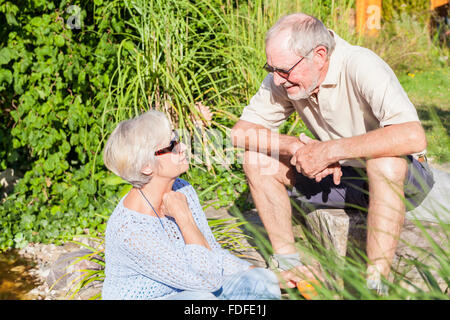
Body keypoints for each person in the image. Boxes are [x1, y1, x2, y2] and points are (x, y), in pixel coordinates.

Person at [231, 13, 435, 295]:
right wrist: (294, 146)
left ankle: (375, 286)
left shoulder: (361, 65)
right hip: (343, 178)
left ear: (319, 55)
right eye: (271, 68)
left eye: (284, 71)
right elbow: (240, 133)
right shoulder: (284, 76)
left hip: (405, 177)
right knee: (256, 159)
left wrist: (330, 150)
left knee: (385, 162)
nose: (277, 80)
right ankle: (289, 268)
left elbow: (412, 135)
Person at [101, 110, 281, 300]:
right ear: (147, 166)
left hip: (189, 288)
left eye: (177, 138)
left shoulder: (182, 189)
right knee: (201, 300)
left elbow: (211, 252)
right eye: (172, 145)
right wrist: (183, 216)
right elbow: (207, 280)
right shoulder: (130, 231)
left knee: (263, 281)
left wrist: (254, 271)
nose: (184, 147)